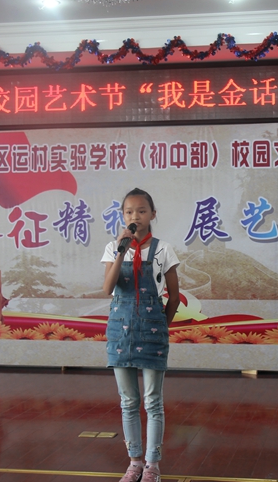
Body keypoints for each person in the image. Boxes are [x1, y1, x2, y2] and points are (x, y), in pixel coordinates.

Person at [101, 188, 180, 482]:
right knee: (128, 401)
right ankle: (134, 463)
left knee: (153, 401)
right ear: (123, 216)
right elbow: (107, 288)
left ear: (153, 214)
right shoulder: (113, 247)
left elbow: (174, 297)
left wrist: (161, 327)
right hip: (119, 331)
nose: (135, 216)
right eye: (129, 211)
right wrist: (122, 251)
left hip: (152, 331)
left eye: (142, 211)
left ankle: (152, 466)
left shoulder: (163, 249)